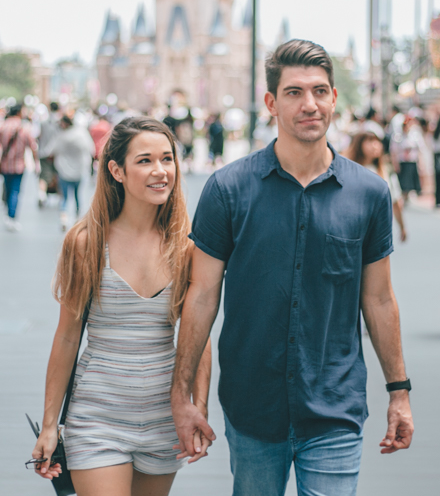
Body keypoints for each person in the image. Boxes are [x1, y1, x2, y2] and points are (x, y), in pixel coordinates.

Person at [171, 39, 412, 496]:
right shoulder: (228, 190)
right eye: (295, 92)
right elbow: (201, 295)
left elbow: (379, 299)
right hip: (252, 407)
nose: (310, 104)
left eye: (320, 91)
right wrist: (182, 396)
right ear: (271, 102)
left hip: (335, 406)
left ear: (335, 99)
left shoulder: (368, 193)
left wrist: (398, 392)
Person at [31, 117, 211, 496]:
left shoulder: (186, 247)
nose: (160, 171)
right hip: (97, 418)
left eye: (167, 159)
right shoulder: (86, 242)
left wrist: (199, 406)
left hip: (165, 418)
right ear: (116, 170)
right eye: (145, 160)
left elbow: (198, 335)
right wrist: (50, 425)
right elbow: (66, 337)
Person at [345, 130, 408, 242]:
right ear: (359, 144)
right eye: (370, 141)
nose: (375, 146)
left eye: (377, 142)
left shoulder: (385, 170)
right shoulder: (348, 169)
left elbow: (395, 200)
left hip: (378, 227)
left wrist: (402, 226)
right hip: (352, 227)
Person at [0, 103, 38, 231]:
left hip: (5, 164)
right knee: (16, 191)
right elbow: (33, 147)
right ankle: (12, 216)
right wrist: (36, 163)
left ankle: (8, 211)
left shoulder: (2, 126)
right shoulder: (24, 128)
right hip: (19, 165)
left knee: (8, 188)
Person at [54, 113, 95, 231]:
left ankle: (64, 218)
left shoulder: (62, 136)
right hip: (79, 170)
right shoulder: (82, 134)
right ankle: (78, 218)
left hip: (64, 170)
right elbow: (91, 149)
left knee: (64, 196)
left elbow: (53, 150)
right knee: (77, 195)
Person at [391, 110, 427, 201]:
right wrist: (395, 164)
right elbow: (393, 151)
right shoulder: (397, 136)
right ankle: (403, 196)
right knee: (403, 183)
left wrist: (421, 164)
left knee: (411, 182)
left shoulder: (415, 135)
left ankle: (410, 195)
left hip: (412, 161)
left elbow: (420, 150)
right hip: (403, 162)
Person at [37, 102, 61, 206]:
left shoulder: (43, 122)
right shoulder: (61, 122)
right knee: (58, 175)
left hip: (44, 153)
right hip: (57, 153)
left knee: (44, 175)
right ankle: (59, 197)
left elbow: (39, 136)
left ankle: (42, 195)